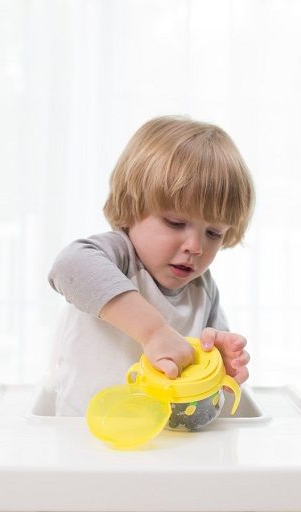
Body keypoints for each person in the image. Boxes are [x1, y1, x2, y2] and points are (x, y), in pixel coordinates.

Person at [47, 115, 255, 416]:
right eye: (175, 222)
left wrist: (219, 369)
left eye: (214, 233)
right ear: (131, 208)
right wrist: (154, 332)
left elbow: (210, 388)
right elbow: (69, 266)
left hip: (166, 437)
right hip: (84, 432)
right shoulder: (118, 255)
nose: (195, 246)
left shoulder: (203, 289)